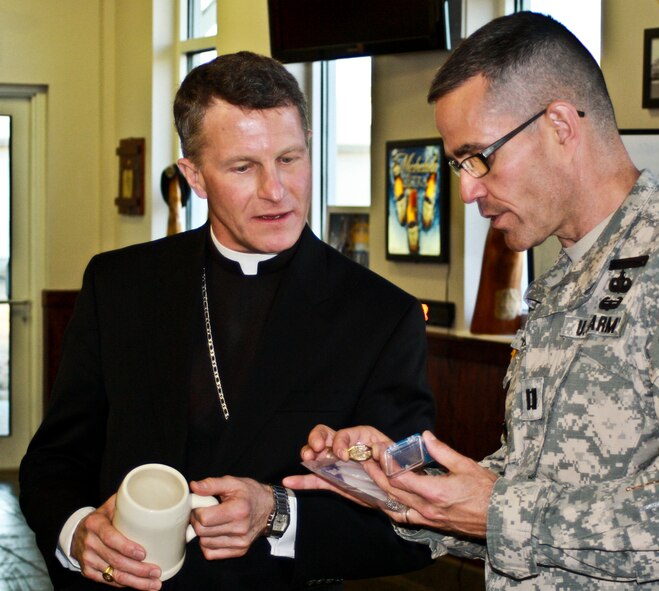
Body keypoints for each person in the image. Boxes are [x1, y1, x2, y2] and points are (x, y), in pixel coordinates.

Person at [285, 12, 659, 589]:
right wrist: (402, 480)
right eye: (458, 164)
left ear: (560, 125)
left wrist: (500, 513)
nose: (466, 189)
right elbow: (538, 477)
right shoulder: (569, 280)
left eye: (478, 156)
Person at [19, 51, 434, 590]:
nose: (276, 190)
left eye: (290, 159)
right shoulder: (120, 285)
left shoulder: (381, 316)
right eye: (244, 167)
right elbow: (54, 462)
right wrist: (76, 533)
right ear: (195, 176)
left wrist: (278, 517)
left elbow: (414, 525)